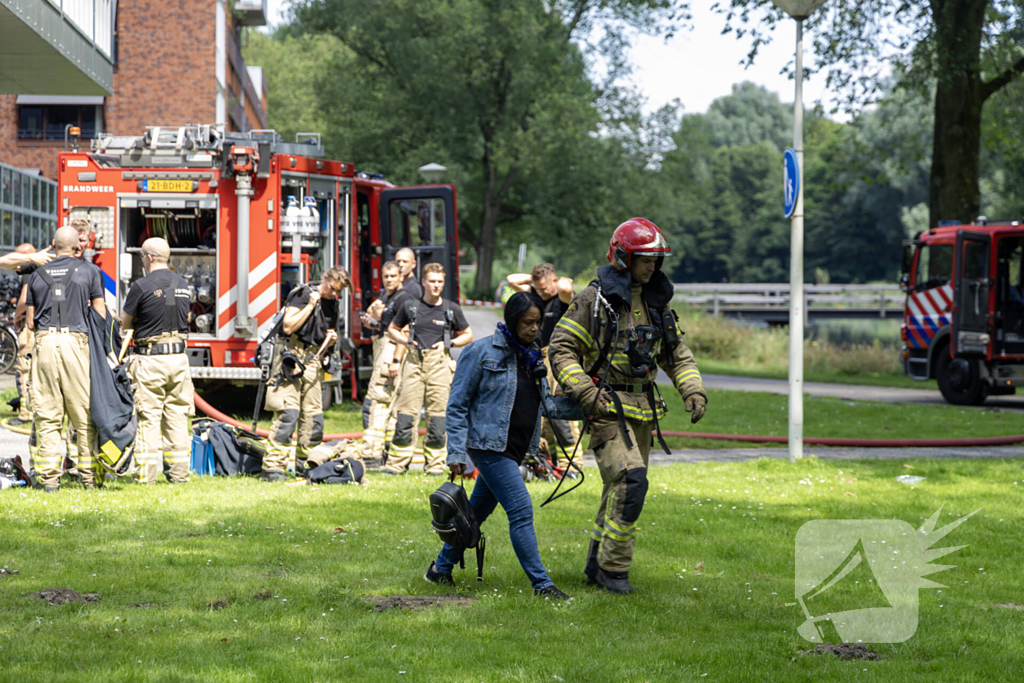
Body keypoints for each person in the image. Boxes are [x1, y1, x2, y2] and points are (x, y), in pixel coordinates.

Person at [549, 218, 708, 594]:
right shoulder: (595, 299)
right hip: (605, 407)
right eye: (645, 259)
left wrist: (693, 391)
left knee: (619, 488)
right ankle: (614, 570)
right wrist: (586, 392)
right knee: (630, 481)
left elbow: (677, 355)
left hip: (643, 410)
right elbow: (561, 348)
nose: (652, 267)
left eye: (656, 260)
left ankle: (595, 564)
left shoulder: (657, 303)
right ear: (623, 257)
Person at [426, 292, 581, 596]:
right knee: (521, 511)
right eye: (528, 323)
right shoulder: (480, 352)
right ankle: (542, 585)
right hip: (488, 447)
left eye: (538, 322)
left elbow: (546, 406)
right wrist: (455, 452)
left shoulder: (534, 358)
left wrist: (590, 405)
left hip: (516, 450)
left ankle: (439, 569)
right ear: (512, 320)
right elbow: (456, 405)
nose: (535, 328)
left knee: (475, 513)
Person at [25, 227, 107, 491]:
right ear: (77, 248)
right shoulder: (89, 271)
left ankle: (49, 480)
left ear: (53, 245)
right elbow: (100, 313)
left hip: (45, 343)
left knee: (48, 415)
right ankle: (89, 479)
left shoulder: (36, 275)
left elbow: (29, 322)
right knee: (83, 414)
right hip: (76, 343)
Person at [262, 267, 351, 481]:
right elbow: (289, 326)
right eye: (331, 288)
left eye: (337, 291)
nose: (332, 294)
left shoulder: (333, 303)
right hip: (292, 355)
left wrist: (330, 343)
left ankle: (307, 465)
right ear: (326, 278)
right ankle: (273, 468)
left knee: (313, 417)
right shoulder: (303, 294)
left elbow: (326, 331)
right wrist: (312, 304)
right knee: (288, 413)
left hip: (314, 360)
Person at [385, 262, 472, 475]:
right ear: (423, 282)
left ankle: (434, 465)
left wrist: (449, 343)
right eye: (432, 281)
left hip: (440, 366)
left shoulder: (451, 309)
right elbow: (392, 329)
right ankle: (396, 465)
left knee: (438, 418)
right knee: (405, 415)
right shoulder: (411, 306)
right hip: (414, 363)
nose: (436, 286)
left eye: (440, 282)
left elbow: (468, 334)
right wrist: (404, 341)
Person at [121, 238, 194, 484]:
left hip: (151, 360)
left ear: (149, 257)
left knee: (149, 418)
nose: (142, 261)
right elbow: (187, 315)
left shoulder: (141, 286)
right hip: (180, 360)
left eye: (142, 256)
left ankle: (145, 477)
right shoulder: (183, 283)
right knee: (176, 417)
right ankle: (179, 475)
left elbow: (126, 324)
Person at [507, 263, 578, 475]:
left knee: (562, 414)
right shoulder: (536, 298)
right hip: (538, 356)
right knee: (543, 414)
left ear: (554, 281)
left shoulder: (562, 299)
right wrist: (536, 280)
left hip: (559, 355)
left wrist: (556, 280)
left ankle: (572, 465)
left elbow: (565, 287)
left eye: (544, 288)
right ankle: (554, 463)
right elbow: (511, 279)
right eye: (537, 289)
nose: (541, 292)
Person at [359, 261, 403, 464]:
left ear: (401, 277)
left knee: (376, 403)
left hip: (391, 352)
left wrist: (396, 360)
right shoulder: (387, 296)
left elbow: (406, 332)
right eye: (386, 277)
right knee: (387, 405)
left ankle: (372, 454)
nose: (389, 280)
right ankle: (384, 451)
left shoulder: (404, 298)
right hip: (383, 348)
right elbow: (371, 312)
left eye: (393, 276)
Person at [10, 243, 38, 428]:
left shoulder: (28, 270)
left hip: (28, 330)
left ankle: (25, 414)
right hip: (41, 328)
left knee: (24, 371)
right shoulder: (43, 269)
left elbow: (24, 298)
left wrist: (16, 316)